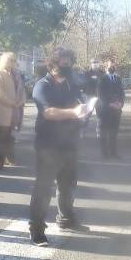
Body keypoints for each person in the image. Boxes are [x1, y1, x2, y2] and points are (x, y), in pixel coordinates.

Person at [29, 48, 90, 246]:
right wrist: (74, 113)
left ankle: (66, 219)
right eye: (63, 62)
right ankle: (36, 229)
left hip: (70, 142)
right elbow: (47, 112)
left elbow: (81, 104)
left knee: (68, 185)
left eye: (70, 62)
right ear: (52, 64)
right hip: (48, 144)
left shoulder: (71, 85)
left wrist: (86, 111)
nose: (67, 66)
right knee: (44, 188)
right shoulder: (42, 85)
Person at [0, 52, 26, 169]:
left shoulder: (17, 74)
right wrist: (11, 103)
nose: (12, 62)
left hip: (15, 110)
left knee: (11, 137)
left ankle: (10, 158)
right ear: (4, 61)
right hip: (3, 110)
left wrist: (20, 102)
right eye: (10, 60)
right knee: (2, 136)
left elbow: (22, 91)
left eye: (14, 60)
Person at [97, 59, 125, 159]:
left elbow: (122, 92)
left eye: (113, 66)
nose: (112, 67)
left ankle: (113, 153)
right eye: (110, 65)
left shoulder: (118, 79)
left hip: (116, 111)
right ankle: (104, 153)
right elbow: (101, 94)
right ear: (106, 67)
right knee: (104, 132)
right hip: (105, 110)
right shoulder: (102, 79)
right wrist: (110, 104)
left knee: (114, 133)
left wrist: (121, 103)